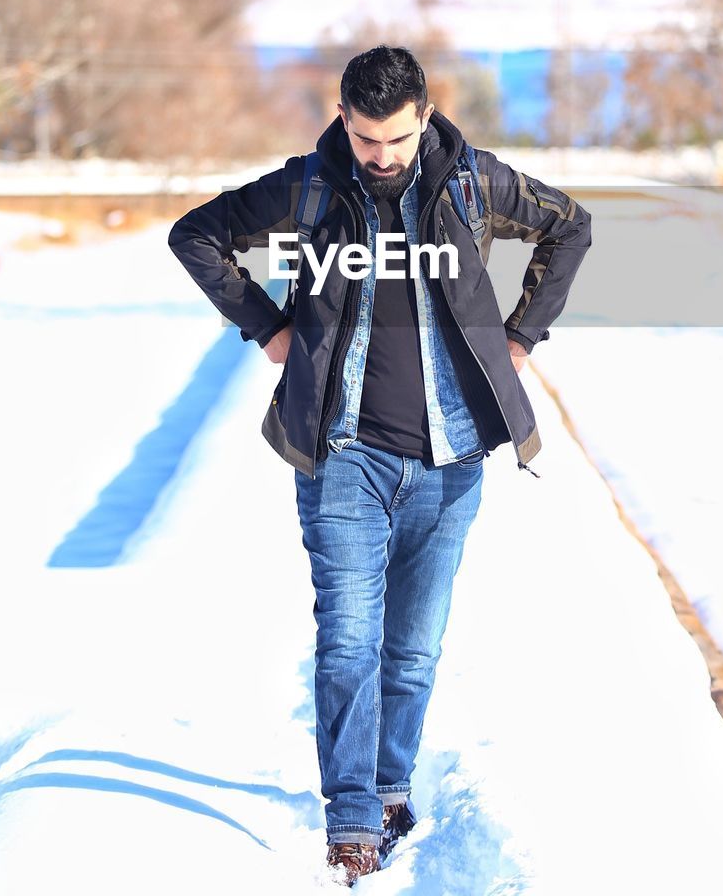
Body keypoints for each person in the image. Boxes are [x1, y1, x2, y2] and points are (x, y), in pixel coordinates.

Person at [167, 46, 592, 886]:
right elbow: (199, 235)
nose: (383, 156)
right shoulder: (312, 185)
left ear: (424, 119)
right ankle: (354, 814)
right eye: (366, 139)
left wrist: (518, 338)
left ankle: (392, 784)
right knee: (349, 643)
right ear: (344, 121)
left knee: (414, 649)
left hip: (451, 453)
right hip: (342, 455)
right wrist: (269, 326)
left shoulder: (472, 182)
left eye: (396, 139)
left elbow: (569, 225)